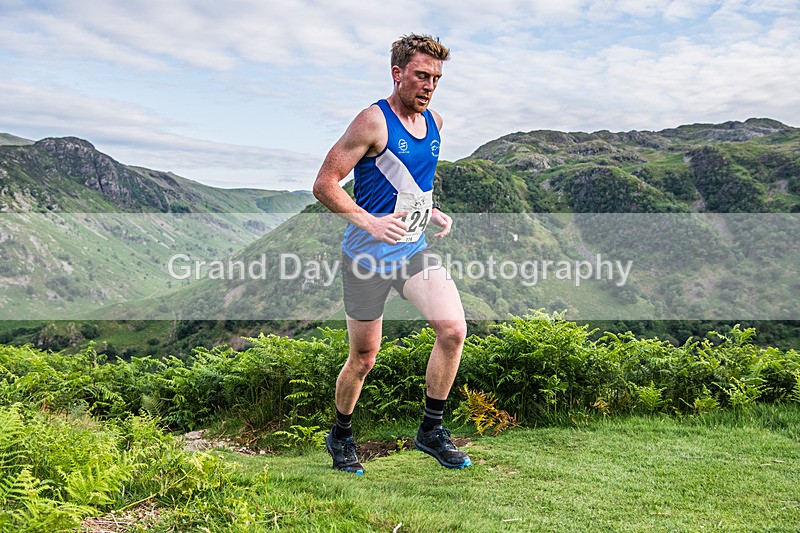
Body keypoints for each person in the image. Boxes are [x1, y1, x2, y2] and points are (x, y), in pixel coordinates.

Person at [312, 33, 471, 474]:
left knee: (453, 329)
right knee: (364, 358)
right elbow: (324, 184)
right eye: (421, 75)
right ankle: (341, 434)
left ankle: (431, 431)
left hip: (412, 250)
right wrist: (370, 222)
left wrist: (429, 211)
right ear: (398, 73)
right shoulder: (372, 121)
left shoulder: (435, 122)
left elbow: (408, 180)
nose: (429, 85)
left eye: (436, 78)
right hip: (365, 259)